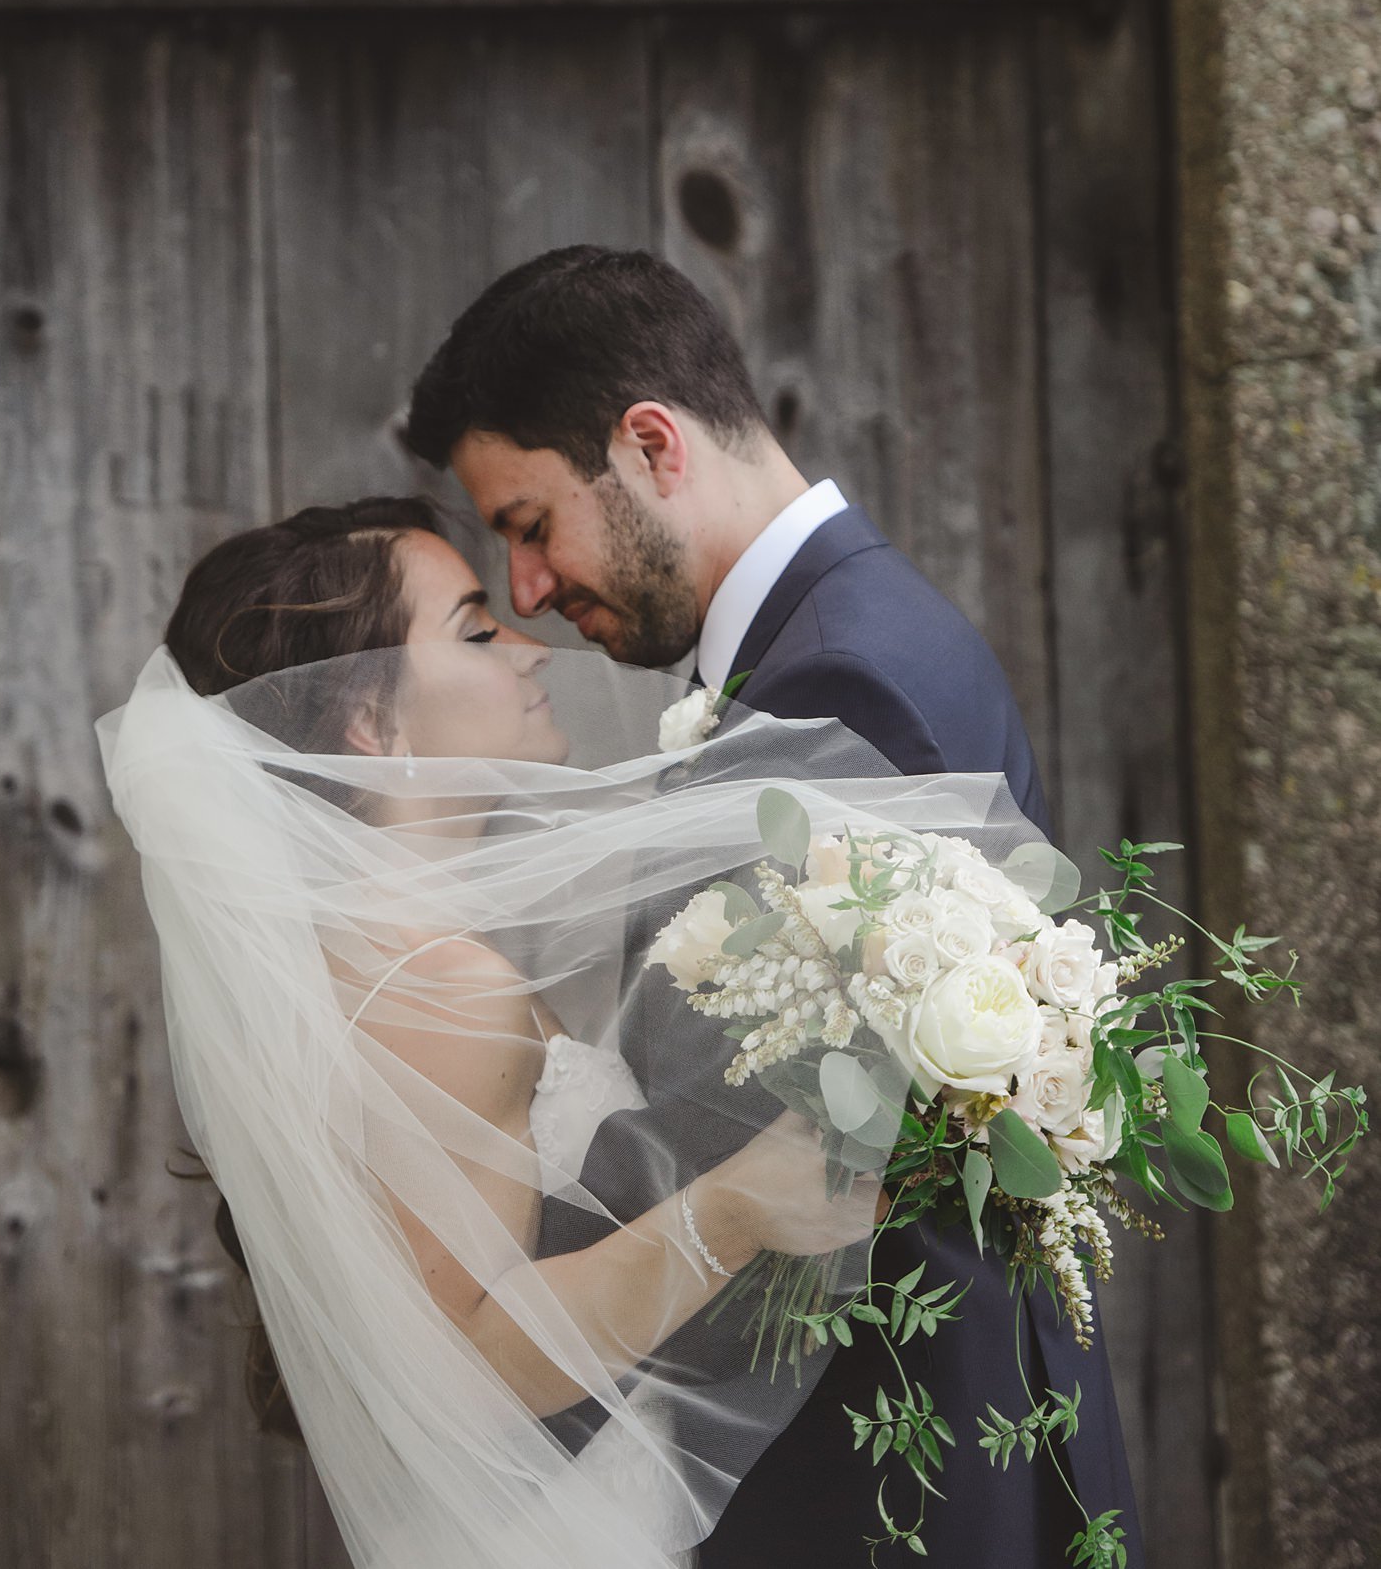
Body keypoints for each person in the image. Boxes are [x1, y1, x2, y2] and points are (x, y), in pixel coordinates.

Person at [404, 245, 1143, 1569]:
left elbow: (784, 1141)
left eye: (527, 524)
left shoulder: (838, 683)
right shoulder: (824, 645)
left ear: (649, 444)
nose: (528, 592)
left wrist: (458, 1241)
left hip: (904, 1476)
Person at [101, 496, 890, 1569]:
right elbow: (462, 1373)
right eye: (476, 629)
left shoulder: (398, 965)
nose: (531, 650)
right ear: (372, 728)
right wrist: (740, 1209)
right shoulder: (437, 989)